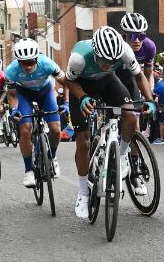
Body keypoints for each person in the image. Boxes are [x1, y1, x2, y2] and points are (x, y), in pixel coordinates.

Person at [65, 26, 155, 218]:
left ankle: (122, 155)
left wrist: (150, 100)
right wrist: (82, 97)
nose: (109, 64)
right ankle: (83, 192)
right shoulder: (79, 57)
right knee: (83, 141)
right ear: (96, 53)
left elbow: (139, 76)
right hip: (81, 85)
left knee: (130, 115)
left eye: (113, 61)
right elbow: (69, 81)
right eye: (105, 61)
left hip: (107, 81)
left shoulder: (125, 51)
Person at [5, 39, 67, 189]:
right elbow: (12, 95)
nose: (28, 66)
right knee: (25, 129)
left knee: (56, 130)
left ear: (37, 58)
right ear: (18, 61)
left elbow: (67, 82)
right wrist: (14, 110)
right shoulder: (11, 70)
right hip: (24, 95)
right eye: (23, 63)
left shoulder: (47, 64)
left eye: (31, 62)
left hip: (45, 93)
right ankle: (28, 170)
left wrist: (66, 103)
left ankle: (52, 157)